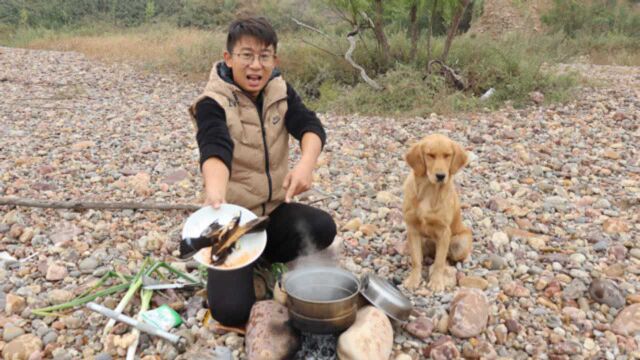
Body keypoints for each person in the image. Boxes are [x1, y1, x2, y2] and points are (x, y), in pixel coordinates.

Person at [188, 16, 337, 326]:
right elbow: (214, 148)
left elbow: (310, 126)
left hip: (271, 213)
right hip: (233, 222)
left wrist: (305, 165)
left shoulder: (279, 90)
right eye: (247, 55)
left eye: (264, 56)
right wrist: (215, 193)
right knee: (232, 312)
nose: (256, 65)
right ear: (228, 58)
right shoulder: (212, 103)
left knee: (323, 227)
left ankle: (265, 258)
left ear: (274, 59)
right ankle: (244, 265)